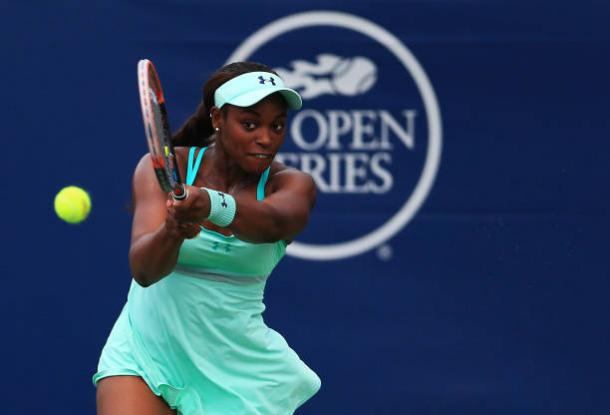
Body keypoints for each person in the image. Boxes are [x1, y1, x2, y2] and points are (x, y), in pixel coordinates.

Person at [93, 61, 321, 415]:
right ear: (218, 119)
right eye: (250, 123)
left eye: (277, 125)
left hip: (236, 369)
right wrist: (172, 230)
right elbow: (145, 271)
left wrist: (211, 204)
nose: (266, 137)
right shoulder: (169, 168)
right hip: (144, 352)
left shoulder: (292, 185)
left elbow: (275, 222)